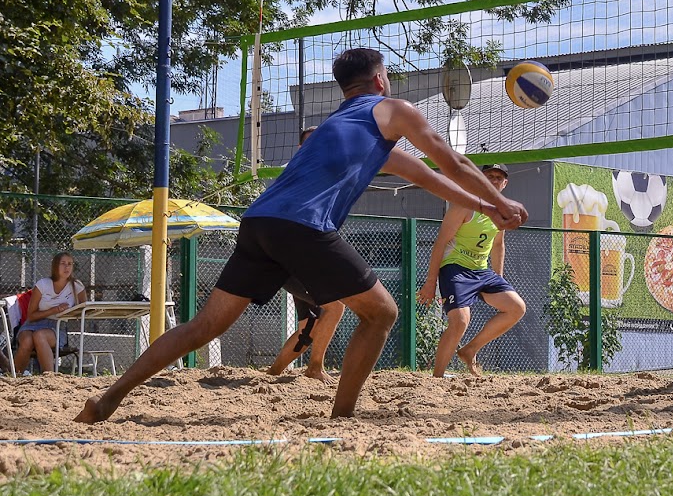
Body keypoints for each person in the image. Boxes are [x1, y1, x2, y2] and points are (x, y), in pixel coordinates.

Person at [76, 47, 528, 423]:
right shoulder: (392, 110)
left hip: (259, 224)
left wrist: (487, 206)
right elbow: (456, 163)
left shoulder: (340, 128)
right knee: (381, 313)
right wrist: (503, 203)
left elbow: (428, 177)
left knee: (204, 327)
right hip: (302, 225)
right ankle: (344, 415)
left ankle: (107, 399)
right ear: (380, 80)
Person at [418, 163, 527, 378]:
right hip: (455, 268)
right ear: (480, 179)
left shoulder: (504, 211)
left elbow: (497, 245)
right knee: (460, 321)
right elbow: (440, 243)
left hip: (481, 271)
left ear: (505, 183)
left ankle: (470, 350)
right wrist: (430, 282)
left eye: (499, 177)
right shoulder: (464, 205)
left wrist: (498, 279)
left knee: (517, 308)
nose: (494, 180)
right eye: (490, 176)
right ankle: (437, 377)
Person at [265, 125, 346, 383]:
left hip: (302, 258)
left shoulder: (321, 174)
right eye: (312, 143)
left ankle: (273, 373)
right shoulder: (300, 172)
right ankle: (315, 367)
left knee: (308, 327)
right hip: (289, 257)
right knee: (335, 307)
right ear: (302, 149)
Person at [16, 252, 87, 375]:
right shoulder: (42, 284)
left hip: (57, 325)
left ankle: (49, 377)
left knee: (40, 336)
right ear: (55, 266)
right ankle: (13, 376)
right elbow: (31, 315)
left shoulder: (77, 286)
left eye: (70, 264)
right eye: (63, 264)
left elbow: (84, 310)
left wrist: (71, 313)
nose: (67, 267)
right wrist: (54, 310)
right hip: (33, 323)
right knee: (27, 341)